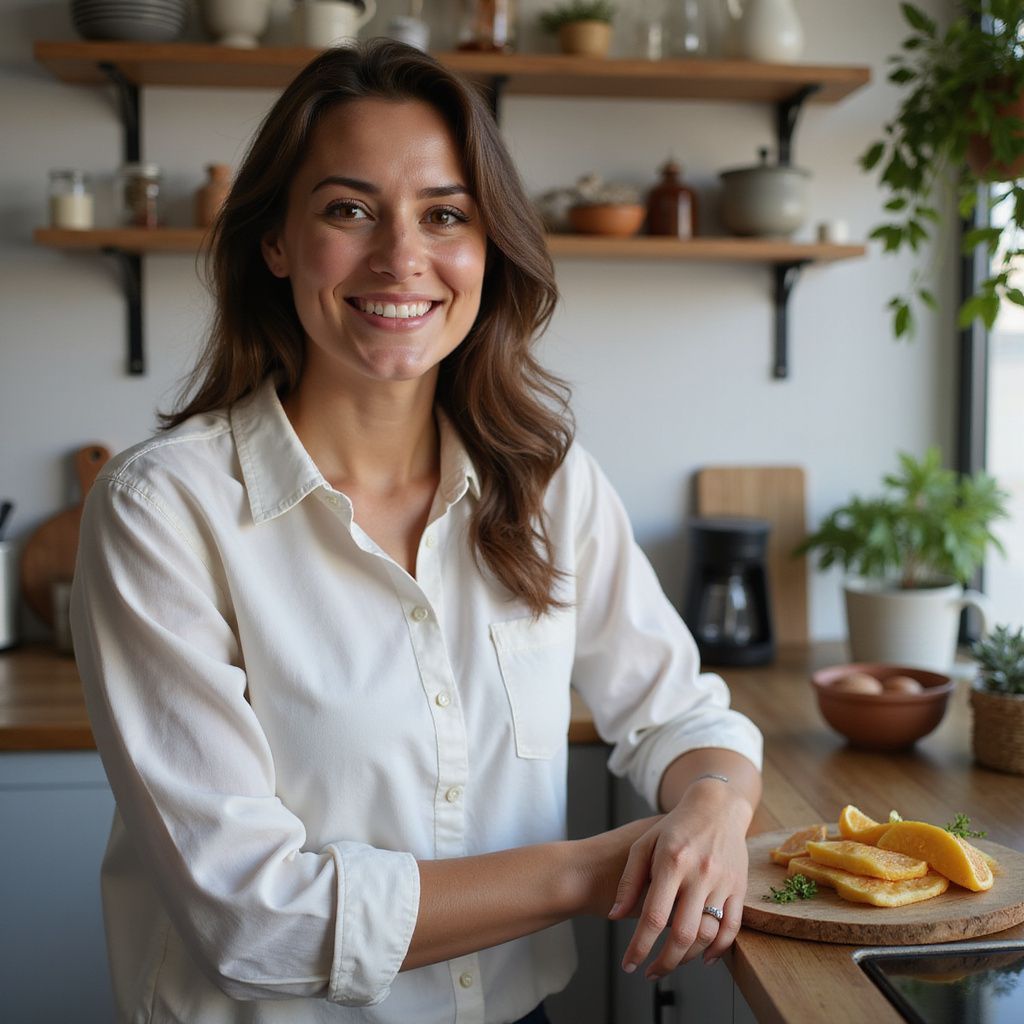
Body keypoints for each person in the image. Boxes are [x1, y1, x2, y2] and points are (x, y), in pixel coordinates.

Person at [70, 40, 763, 1024]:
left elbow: (684, 716)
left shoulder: (547, 484)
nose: (402, 258)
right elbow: (254, 916)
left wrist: (709, 810)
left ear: (487, 250)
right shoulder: (161, 511)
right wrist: (608, 864)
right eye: (348, 210)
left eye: (445, 215)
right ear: (276, 241)